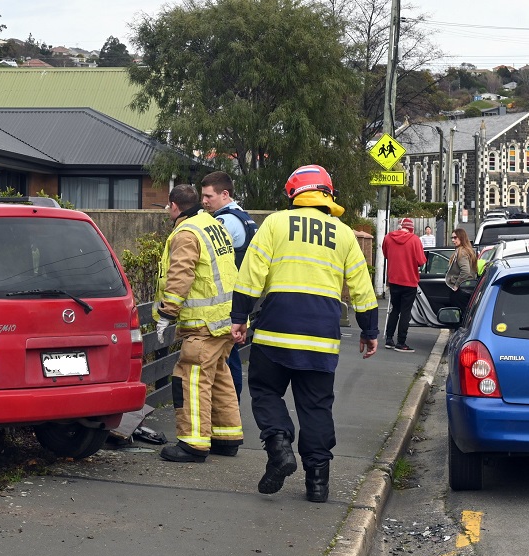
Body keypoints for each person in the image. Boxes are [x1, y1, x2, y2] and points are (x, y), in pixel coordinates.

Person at [229, 164, 378, 503]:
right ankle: (318, 483)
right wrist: (370, 330)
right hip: (321, 338)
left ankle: (280, 445)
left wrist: (239, 316)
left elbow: (251, 273)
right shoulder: (343, 234)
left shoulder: (276, 224)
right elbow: (362, 288)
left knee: (266, 390)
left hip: (276, 331)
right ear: (328, 193)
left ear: (294, 193)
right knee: (316, 407)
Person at [153, 184, 243, 462]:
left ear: (174, 206)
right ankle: (227, 437)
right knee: (219, 376)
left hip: (203, 322)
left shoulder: (186, 233)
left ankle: (193, 444)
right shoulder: (212, 225)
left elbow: (181, 275)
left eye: (169, 206)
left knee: (189, 377)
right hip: (226, 318)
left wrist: (167, 313)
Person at [200, 171, 259, 401]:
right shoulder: (244, 217)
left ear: (225, 194)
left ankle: (229, 406)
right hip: (241, 296)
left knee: (227, 356)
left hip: (227, 300)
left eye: (208, 196)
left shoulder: (224, 222)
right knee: (230, 352)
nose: (204, 201)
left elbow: (208, 256)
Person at [381, 218, 426, 352]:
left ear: (400, 227)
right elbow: (421, 261)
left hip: (394, 280)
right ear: (411, 228)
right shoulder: (415, 240)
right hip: (409, 281)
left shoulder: (388, 237)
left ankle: (389, 339)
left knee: (395, 309)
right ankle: (401, 342)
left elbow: (385, 254)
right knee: (405, 312)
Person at [443, 227, 478, 311]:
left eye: (455, 238)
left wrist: (456, 285)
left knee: (461, 313)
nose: (453, 240)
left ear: (461, 238)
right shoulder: (467, 250)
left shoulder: (461, 252)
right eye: (452, 238)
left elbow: (465, 271)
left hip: (461, 290)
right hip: (467, 287)